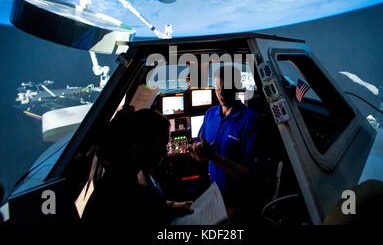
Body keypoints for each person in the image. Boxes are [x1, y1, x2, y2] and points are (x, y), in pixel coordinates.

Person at [82, 107, 192, 225]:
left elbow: (151, 206)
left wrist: (174, 206)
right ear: (135, 150)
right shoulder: (129, 197)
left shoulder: (115, 179)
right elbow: (144, 207)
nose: (165, 153)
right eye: (160, 145)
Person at [190, 65, 262, 223]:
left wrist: (213, 157)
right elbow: (198, 153)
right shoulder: (210, 114)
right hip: (215, 194)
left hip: (239, 202)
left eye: (226, 88)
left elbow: (249, 174)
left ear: (237, 88)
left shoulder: (251, 120)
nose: (220, 93)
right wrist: (197, 152)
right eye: (217, 87)